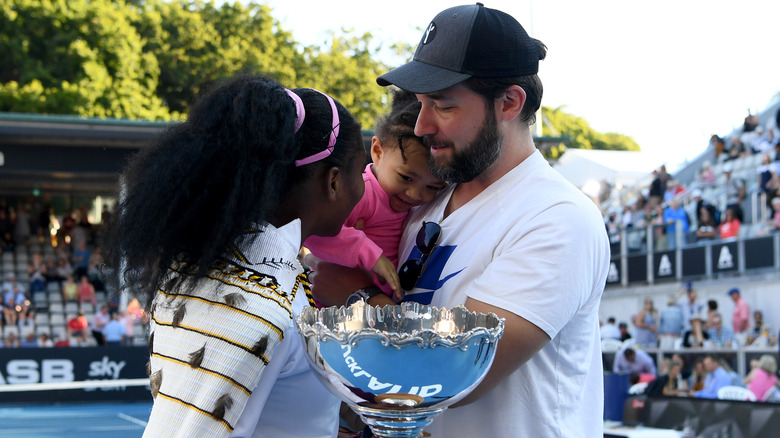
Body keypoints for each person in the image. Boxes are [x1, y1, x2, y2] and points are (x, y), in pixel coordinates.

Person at [311, 5, 609, 437]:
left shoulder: (558, 219)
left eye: (444, 106)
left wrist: (352, 296)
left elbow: (459, 373)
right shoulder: (427, 195)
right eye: (421, 104)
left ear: (509, 103)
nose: (422, 124)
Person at [101, 73, 367, 437]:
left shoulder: (201, 266)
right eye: (361, 169)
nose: (367, 184)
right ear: (333, 181)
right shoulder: (263, 303)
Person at [304, 88, 446, 301]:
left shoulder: (412, 206)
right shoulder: (362, 193)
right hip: (334, 307)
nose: (415, 194)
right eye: (406, 178)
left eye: (433, 187)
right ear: (378, 151)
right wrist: (368, 253)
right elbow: (313, 230)